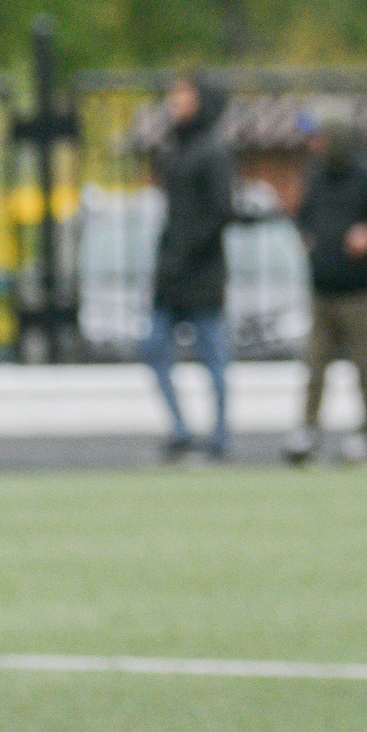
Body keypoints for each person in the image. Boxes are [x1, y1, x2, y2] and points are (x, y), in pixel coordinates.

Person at [286, 111, 367, 465]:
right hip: (322, 285)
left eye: (319, 138)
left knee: (364, 364)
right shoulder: (315, 173)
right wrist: (307, 235)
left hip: (359, 289)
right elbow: (304, 214)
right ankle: (308, 431)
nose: (314, 145)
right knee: (314, 364)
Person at [142, 75, 239, 462]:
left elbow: (219, 211)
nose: (174, 100)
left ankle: (219, 437)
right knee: (154, 349)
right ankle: (181, 431)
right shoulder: (176, 147)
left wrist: (184, 253)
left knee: (213, 356)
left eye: (183, 93)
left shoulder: (212, 151)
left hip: (200, 272)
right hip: (172, 274)